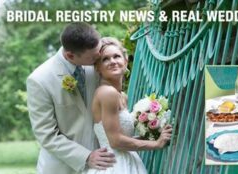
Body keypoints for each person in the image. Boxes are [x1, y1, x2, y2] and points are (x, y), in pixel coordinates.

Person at [26, 22, 116, 174]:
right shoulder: (39, 80)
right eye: (94, 57)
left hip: (102, 166)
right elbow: (47, 135)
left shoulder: (94, 63)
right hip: (62, 168)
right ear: (70, 56)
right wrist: (86, 156)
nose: (100, 57)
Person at [85, 37, 172, 174]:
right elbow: (115, 141)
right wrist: (156, 144)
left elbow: (124, 138)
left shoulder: (121, 95)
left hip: (127, 160)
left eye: (116, 56)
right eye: (105, 59)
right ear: (98, 68)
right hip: (115, 165)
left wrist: (152, 136)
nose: (112, 61)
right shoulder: (107, 93)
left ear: (125, 61)